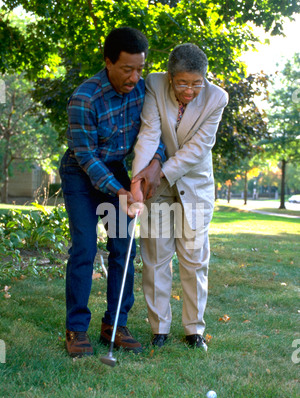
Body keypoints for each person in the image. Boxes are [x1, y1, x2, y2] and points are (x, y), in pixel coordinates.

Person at [60, 27, 163, 358]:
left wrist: (154, 164)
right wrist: (120, 192)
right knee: (85, 249)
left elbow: (153, 131)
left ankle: (115, 325)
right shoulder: (84, 98)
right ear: (107, 62)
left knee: (123, 247)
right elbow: (87, 158)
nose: (134, 77)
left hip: (118, 171)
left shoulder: (142, 91)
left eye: (140, 69)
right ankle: (76, 329)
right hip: (81, 176)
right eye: (127, 69)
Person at [131, 43, 228, 349]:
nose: (190, 90)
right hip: (156, 183)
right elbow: (150, 132)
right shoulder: (155, 84)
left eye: (197, 83)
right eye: (183, 83)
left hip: (194, 184)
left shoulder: (217, 98)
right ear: (171, 77)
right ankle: (159, 329)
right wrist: (139, 179)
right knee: (156, 257)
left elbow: (198, 150)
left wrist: (161, 171)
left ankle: (193, 330)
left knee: (194, 259)